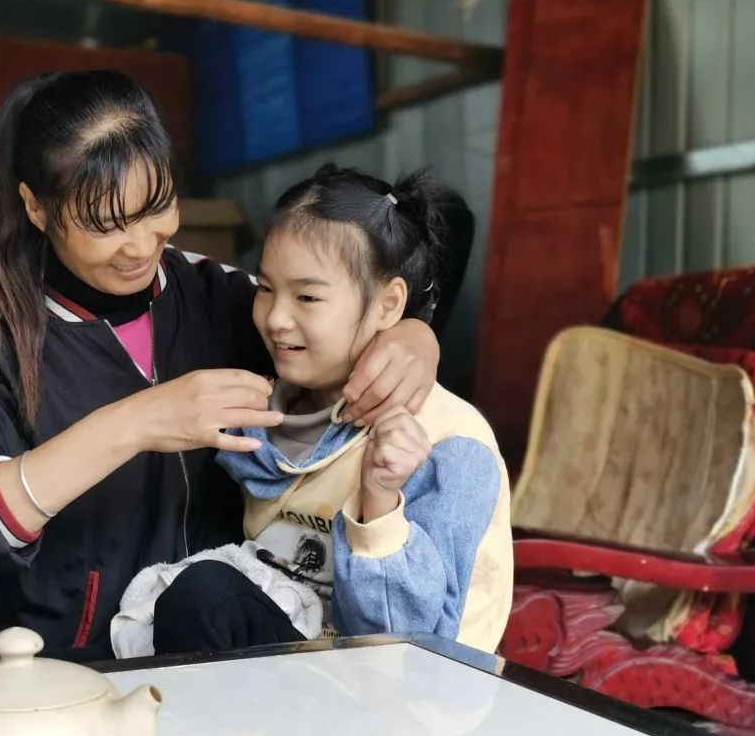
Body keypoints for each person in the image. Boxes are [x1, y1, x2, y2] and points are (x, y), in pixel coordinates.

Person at [0, 71, 446, 660]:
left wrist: (414, 334)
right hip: (85, 685)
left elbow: (335, 326)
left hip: (235, 673)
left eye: (156, 207)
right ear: (36, 207)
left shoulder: (227, 297)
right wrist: (132, 424)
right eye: (105, 225)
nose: (139, 245)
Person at [111, 166, 511, 657]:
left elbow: (412, 644)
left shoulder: (448, 442)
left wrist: (380, 500)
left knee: (205, 599)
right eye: (265, 288)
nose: (277, 318)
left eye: (307, 297)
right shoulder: (266, 409)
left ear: (389, 304)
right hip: (297, 674)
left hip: (394, 703)